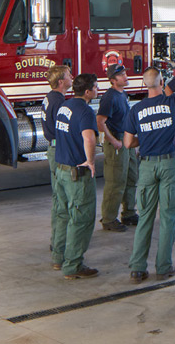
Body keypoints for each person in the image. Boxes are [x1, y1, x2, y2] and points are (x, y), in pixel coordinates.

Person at [123, 59, 175, 283]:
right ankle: (163, 267)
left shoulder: (136, 110)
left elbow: (128, 142)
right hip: (169, 164)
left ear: (144, 84)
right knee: (168, 217)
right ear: (161, 81)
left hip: (147, 166)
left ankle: (138, 268)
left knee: (145, 217)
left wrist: (147, 138)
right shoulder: (174, 102)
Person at [53, 73, 100, 279]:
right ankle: (73, 266)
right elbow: (88, 137)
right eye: (96, 87)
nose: (98, 90)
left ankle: (58, 258)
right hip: (76, 174)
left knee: (62, 215)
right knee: (81, 219)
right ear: (88, 91)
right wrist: (90, 161)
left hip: (61, 170)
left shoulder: (65, 106)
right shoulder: (85, 111)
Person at [97, 63, 138, 232]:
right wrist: (113, 140)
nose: (125, 77)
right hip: (117, 142)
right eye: (121, 75)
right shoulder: (110, 97)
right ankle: (109, 219)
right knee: (116, 181)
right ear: (113, 80)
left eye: (125, 73)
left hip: (126, 141)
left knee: (131, 177)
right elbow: (100, 121)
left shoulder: (122, 94)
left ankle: (128, 213)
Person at [43, 64, 72, 267]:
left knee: (57, 198)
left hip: (51, 148)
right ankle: (60, 246)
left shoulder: (49, 98)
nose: (72, 78)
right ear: (61, 81)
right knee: (63, 201)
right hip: (58, 150)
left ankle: (56, 241)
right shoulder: (60, 102)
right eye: (69, 75)